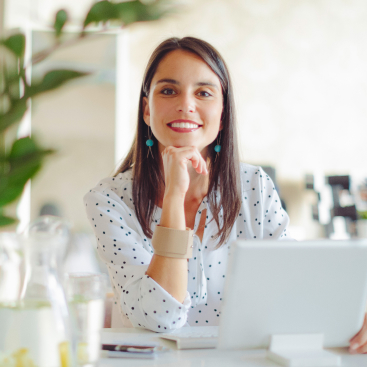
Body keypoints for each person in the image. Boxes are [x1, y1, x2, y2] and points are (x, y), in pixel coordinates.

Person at [83, 37, 367, 353]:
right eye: (168, 90)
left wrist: (357, 313)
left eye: (204, 92)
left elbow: (293, 289)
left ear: (222, 114)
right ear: (147, 110)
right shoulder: (108, 200)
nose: (186, 104)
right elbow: (160, 316)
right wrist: (175, 198)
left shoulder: (255, 186)